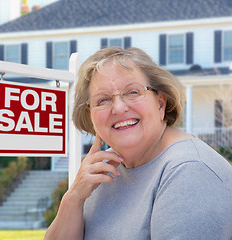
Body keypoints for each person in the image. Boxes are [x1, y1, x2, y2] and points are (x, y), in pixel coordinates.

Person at [44, 46, 232, 240]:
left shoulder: (189, 170)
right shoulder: (101, 173)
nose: (118, 108)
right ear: (90, 115)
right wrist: (74, 197)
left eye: (132, 92)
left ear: (160, 103)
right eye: (103, 100)